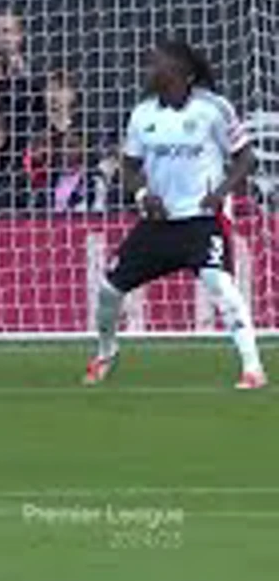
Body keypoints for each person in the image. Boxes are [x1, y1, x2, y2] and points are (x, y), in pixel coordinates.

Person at [87, 40, 265, 390]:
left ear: (183, 73)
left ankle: (252, 368)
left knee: (221, 285)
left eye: (158, 64)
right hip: (159, 222)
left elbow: (246, 158)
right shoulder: (143, 114)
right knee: (109, 290)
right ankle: (106, 351)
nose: (150, 70)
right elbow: (130, 165)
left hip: (202, 219)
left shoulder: (214, 109)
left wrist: (221, 193)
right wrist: (141, 193)